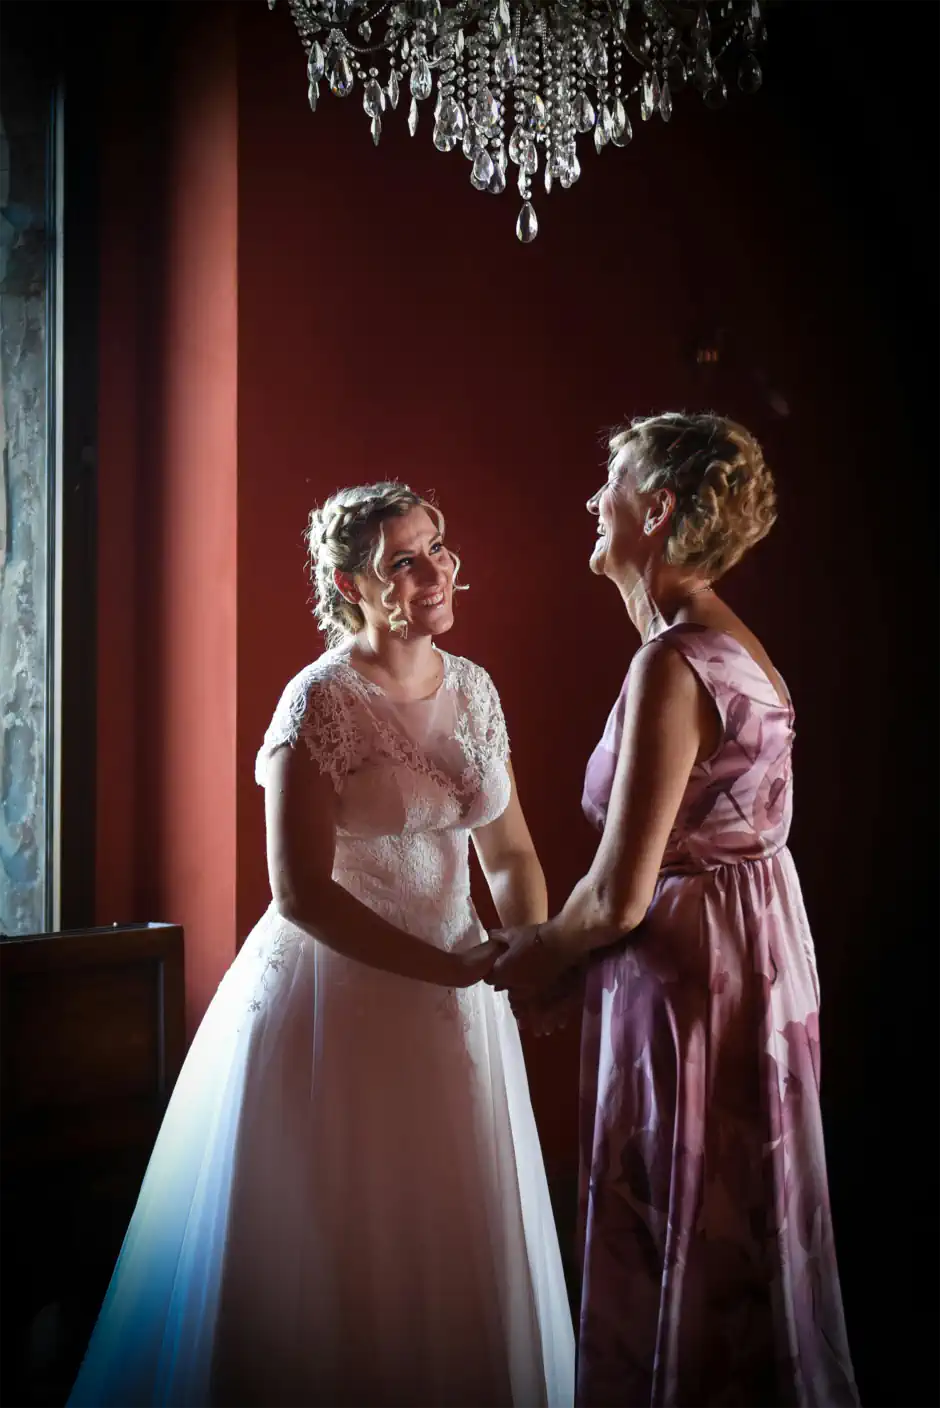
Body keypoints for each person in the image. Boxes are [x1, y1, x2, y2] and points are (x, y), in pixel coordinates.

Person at [68, 482, 575, 1407]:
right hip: (338, 1001)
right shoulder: (319, 704)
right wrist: (450, 967)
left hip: (463, 996)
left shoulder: (475, 689)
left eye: (438, 548)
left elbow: (509, 852)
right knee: (338, 1244)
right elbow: (299, 892)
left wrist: (529, 951)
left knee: (452, 1230)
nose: (435, 572)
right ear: (352, 584)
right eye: (404, 563)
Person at [489, 414, 860, 1407]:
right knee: (740, 1218)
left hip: (691, 978)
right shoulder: (736, 644)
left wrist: (530, 957)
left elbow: (617, 891)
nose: (588, 502)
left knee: (686, 1206)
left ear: (654, 511)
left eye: (607, 484)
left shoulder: (672, 662)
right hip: (754, 950)